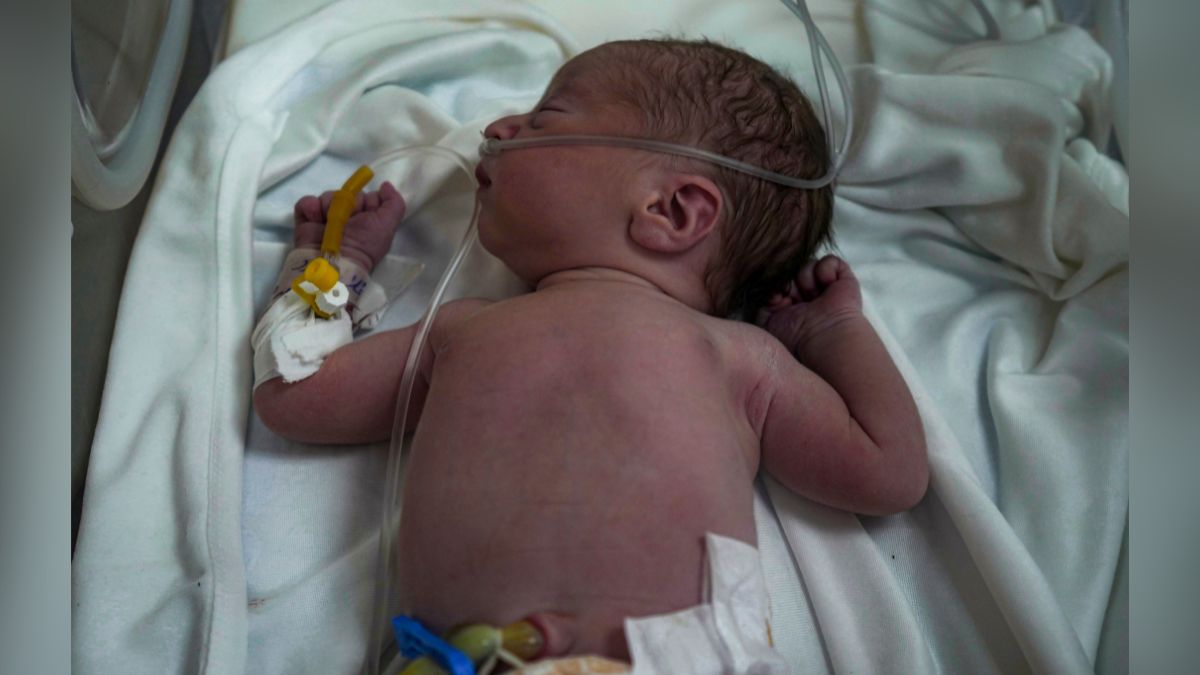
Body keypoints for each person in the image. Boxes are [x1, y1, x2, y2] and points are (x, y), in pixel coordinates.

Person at [253, 38, 927, 668]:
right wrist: (336, 267)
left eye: (543, 118)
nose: (497, 129)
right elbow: (296, 395)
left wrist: (832, 333)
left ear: (672, 210)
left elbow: (888, 473)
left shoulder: (737, 356)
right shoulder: (460, 328)